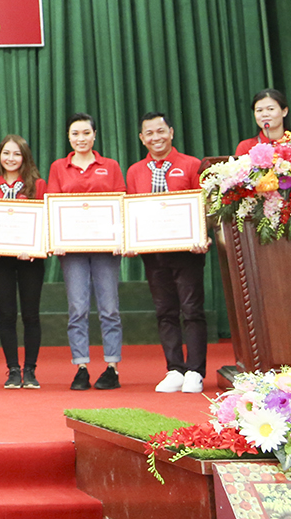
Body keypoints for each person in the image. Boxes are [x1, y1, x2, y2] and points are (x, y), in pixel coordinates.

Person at [126, 112, 206, 394]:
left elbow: (202, 205)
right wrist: (130, 240)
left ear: (171, 132)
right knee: (165, 311)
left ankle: (195, 371)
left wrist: (201, 235)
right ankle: (174, 369)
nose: (156, 137)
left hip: (187, 251)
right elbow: (131, 210)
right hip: (153, 252)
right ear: (141, 138)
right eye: (149, 133)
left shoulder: (192, 165)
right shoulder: (135, 171)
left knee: (192, 310)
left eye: (160, 131)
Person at [47, 112, 126, 391]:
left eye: (85, 133)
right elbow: (53, 204)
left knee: (109, 308)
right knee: (77, 308)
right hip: (73, 250)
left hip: (106, 248)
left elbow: (121, 202)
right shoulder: (58, 167)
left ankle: (112, 367)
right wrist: (57, 238)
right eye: (75, 134)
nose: (81, 138)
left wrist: (120, 238)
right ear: (68, 138)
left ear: (95, 135)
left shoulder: (110, 166)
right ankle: (81, 366)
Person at [0, 134, 48, 390]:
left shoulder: (38, 185)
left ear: (25, 157)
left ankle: (30, 370)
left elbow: (45, 222)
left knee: (31, 315)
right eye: (6, 153)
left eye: (17, 154)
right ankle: (12, 370)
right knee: (7, 314)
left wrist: (34, 247)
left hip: (30, 259)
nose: (11, 158)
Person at [235, 88, 291, 155]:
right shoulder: (246, 147)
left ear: (284, 111)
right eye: (259, 110)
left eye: (271, 109)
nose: (264, 114)